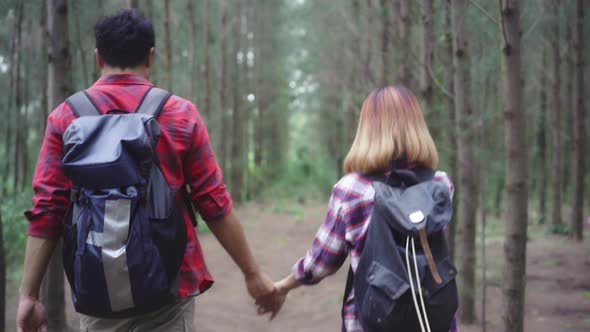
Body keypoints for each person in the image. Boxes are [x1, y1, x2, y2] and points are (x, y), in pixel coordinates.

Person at [17, 9, 277, 332]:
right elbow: (214, 204)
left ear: (98, 57)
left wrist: (28, 294)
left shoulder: (65, 119)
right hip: (168, 289)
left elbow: (47, 211)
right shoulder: (180, 115)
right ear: (150, 56)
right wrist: (252, 273)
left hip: (97, 289)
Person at [264, 86, 459, 332]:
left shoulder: (351, 190)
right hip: (433, 322)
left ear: (367, 131)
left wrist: (284, 285)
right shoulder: (440, 185)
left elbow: (321, 262)